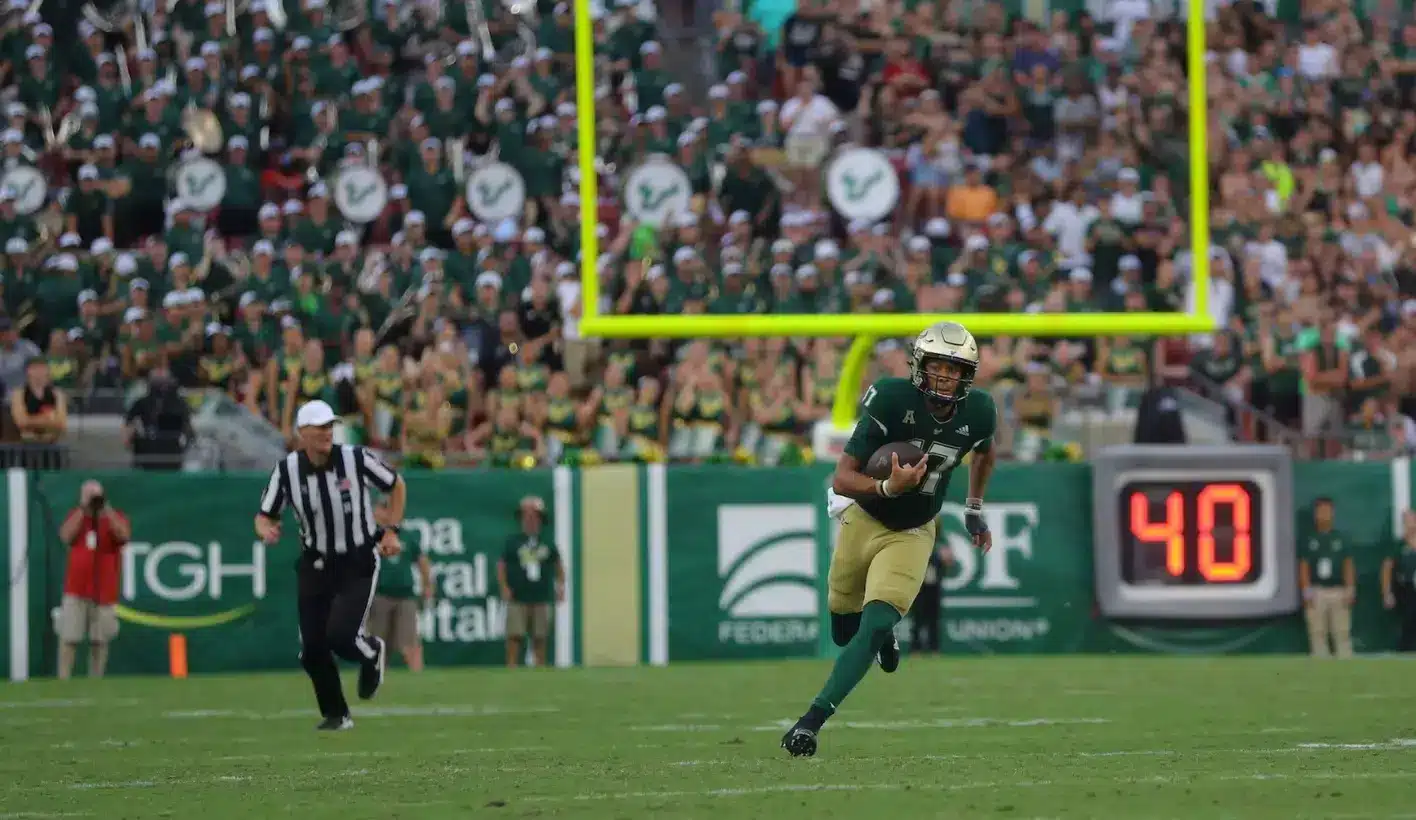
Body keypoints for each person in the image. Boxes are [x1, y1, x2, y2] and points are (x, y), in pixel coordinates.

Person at [781, 321, 999, 758]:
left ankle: (811, 722)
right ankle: (881, 639)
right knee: (845, 628)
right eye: (937, 367)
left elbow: (985, 450)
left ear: (967, 375)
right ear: (920, 366)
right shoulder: (893, 398)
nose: (945, 378)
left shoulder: (979, 410)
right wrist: (886, 487)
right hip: (865, 516)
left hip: (915, 528)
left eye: (954, 370)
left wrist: (974, 508)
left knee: (877, 619)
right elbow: (843, 477)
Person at [255, 399, 406, 731]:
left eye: (329, 426)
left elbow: (396, 485)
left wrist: (392, 531)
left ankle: (370, 652)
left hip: (356, 559)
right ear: (302, 433)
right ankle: (337, 714)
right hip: (315, 563)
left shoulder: (354, 458)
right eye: (319, 427)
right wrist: (267, 530)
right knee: (311, 650)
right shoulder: (287, 470)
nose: (327, 433)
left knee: (339, 635)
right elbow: (265, 515)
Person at [56, 480, 131, 679]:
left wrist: (107, 510)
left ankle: (95, 679)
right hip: (76, 588)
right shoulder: (76, 516)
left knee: (100, 640)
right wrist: (83, 509)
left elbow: (123, 536)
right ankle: (63, 679)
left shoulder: (115, 517)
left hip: (104, 590)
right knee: (69, 637)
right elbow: (65, 536)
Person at [498, 496, 564, 668]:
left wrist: (561, 586)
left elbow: (558, 565)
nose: (530, 521)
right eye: (526, 517)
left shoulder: (547, 543)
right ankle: (511, 668)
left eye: (534, 517)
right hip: (518, 596)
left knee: (540, 637)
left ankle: (539, 669)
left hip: (541, 595)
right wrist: (504, 586)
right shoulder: (512, 542)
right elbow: (501, 566)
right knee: (514, 636)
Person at [367, 501, 433, 672]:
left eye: (389, 508)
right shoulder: (369, 536)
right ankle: (377, 682)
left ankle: (419, 680)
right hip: (380, 595)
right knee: (378, 645)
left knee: (410, 644)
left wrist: (427, 584)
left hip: (405, 595)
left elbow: (422, 561)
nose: (385, 512)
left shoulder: (406, 535)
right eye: (382, 508)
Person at [1299, 497, 1354, 659]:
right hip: (1317, 590)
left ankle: (1345, 662)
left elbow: (1348, 565)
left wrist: (1350, 588)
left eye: (1327, 511)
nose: (1324, 515)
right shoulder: (1308, 539)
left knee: (1342, 631)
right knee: (1317, 632)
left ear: (1333, 513)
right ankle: (1320, 661)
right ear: (1315, 514)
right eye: (1320, 511)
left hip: (1338, 589)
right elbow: (1303, 567)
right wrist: (1306, 591)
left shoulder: (1341, 538)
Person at [123, 368, 193, 471]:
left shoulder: (179, 403)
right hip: (147, 450)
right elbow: (128, 422)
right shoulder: (142, 403)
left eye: (164, 382)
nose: (162, 386)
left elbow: (187, 426)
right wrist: (128, 438)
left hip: (171, 450)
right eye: (158, 382)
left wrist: (187, 441)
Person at [1381, 510, 1416, 652]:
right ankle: (1405, 652)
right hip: (1405, 591)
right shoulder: (1398, 545)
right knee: (1407, 623)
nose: (1410, 525)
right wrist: (1386, 592)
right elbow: (1387, 568)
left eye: (1412, 520)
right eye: (1406, 522)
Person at [909, 544, 951, 654]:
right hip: (919, 592)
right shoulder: (916, 554)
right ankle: (916, 649)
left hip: (933, 592)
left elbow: (945, 568)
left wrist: (946, 559)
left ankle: (934, 649)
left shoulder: (938, 554)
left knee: (934, 622)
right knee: (917, 622)